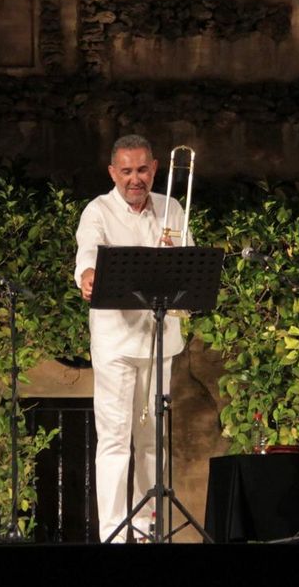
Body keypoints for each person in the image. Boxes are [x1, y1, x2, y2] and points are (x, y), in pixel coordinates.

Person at [73, 134, 188, 542]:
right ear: (112, 173)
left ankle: (145, 529)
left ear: (154, 168)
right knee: (116, 439)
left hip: (160, 339)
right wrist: (87, 275)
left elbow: (187, 268)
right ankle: (113, 534)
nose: (135, 179)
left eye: (142, 170)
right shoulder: (98, 210)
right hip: (118, 341)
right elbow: (87, 253)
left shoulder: (172, 206)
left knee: (152, 439)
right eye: (126, 171)